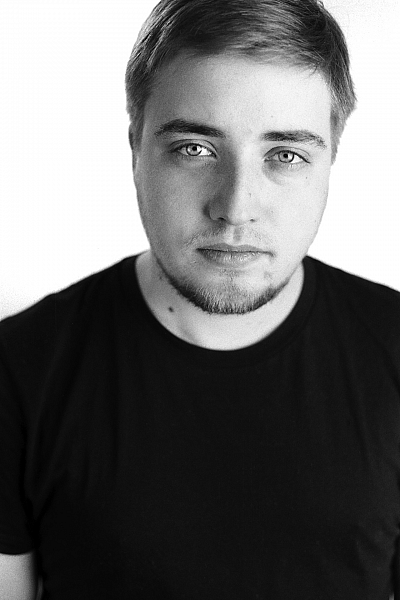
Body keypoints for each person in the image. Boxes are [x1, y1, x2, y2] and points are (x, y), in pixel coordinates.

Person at [1, 0, 399, 597]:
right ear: (135, 148)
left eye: (286, 155)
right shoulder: (16, 370)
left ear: (332, 161)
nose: (235, 207)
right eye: (195, 148)